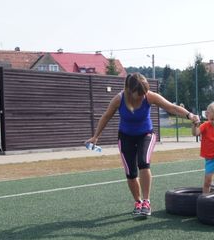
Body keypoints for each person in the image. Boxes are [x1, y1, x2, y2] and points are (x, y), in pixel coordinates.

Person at [85, 73, 200, 216]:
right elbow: (106, 116)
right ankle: (138, 202)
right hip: (125, 137)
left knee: (143, 163)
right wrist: (96, 136)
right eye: (139, 94)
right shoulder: (119, 99)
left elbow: (171, 107)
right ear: (129, 90)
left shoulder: (149, 96)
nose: (142, 96)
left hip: (146, 134)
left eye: (144, 93)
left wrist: (190, 115)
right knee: (131, 173)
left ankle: (146, 202)